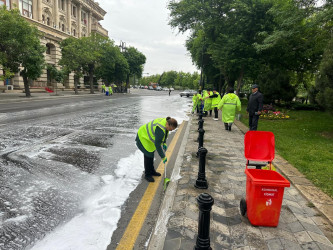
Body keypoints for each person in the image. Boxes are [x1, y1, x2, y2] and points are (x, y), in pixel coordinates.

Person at [136, 117, 178, 182]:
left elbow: (166, 132)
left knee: (151, 154)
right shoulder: (160, 129)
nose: (171, 130)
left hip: (148, 139)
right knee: (148, 155)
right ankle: (147, 175)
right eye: (171, 129)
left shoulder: (166, 122)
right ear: (168, 124)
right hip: (143, 137)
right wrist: (163, 157)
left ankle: (152, 171)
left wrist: (164, 143)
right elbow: (157, 145)